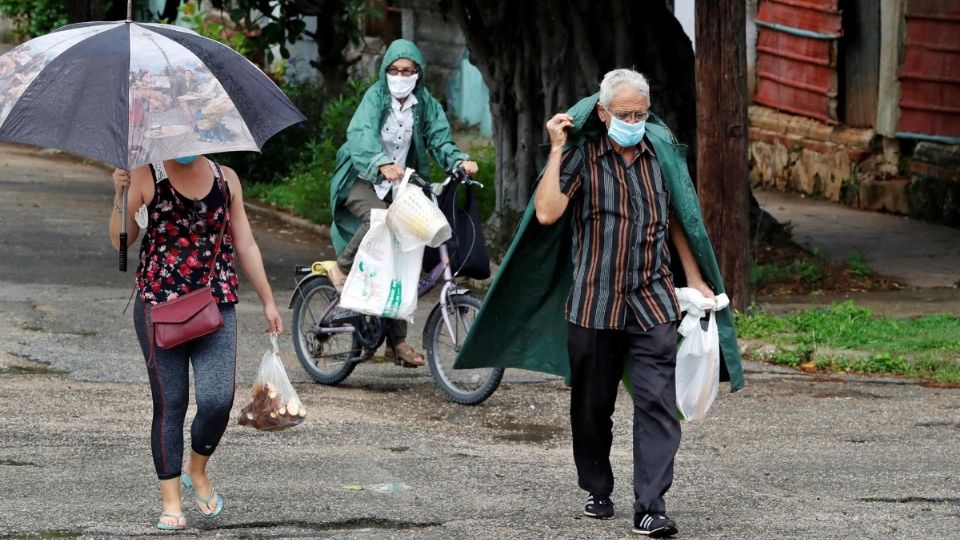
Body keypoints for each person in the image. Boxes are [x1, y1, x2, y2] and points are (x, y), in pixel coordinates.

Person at [454, 68, 744, 537]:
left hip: (652, 301)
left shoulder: (660, 156)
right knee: (593, 407)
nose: (635, 120)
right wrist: (555, 150)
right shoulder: (583, 158)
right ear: (604, 113)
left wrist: (693, 275)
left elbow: (675, 217)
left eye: (642, 113)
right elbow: (548, 212)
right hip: (594, 303)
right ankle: (597, 486)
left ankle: (650, 506)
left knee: (657, 404)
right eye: (626, 113)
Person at [109, 155, 283, 531]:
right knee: (170, 404)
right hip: (159, 306)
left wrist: (268, 300)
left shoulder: (226, 179)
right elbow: (119, 239)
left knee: (218, 400)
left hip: (215, 305)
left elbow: (246, 243)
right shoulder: (144, 176)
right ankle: (171, 501)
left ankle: (197, 468)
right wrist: (120, 194)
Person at [328, 39, 477, 368]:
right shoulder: (375, 97)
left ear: (418, 74)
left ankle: (396, 343)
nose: (400, 75)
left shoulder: (425, 104)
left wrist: (459, 161)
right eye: (394, 70)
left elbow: (441, 139)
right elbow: (360, 134)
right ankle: (341, 267)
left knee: (406, 254)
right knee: (378, 217)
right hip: (361, 178)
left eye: (407, 71)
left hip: (403, 183)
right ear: (385, 72)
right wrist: (380, 162)